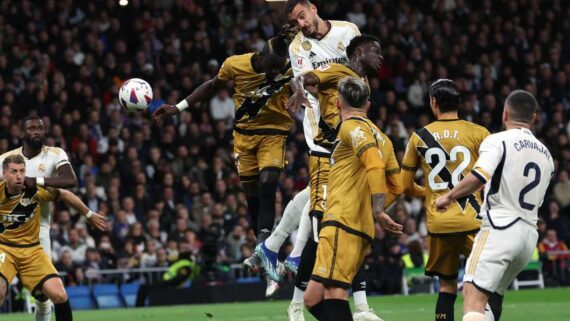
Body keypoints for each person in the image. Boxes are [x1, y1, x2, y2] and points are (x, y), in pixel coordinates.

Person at [152, 34, 292, 296]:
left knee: (268, 185)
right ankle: (266, 252)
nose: (276, 72)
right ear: (260, 58)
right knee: (252, 200)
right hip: (243, 139)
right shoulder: (235, 64)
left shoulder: (287, 64)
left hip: (274, 134)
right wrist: (179, 107)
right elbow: (212, 85)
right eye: (272, 67)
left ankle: (265, 246)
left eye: (279, 67)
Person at [435, 90, 555, 321]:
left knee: (472, 295)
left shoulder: (497, 140)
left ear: (505, 114)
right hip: (528, 237)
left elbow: (479, 176)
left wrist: (448, 197)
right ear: (535, 118)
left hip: (500, 227)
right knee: (492, 299)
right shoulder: (547, 156)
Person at [304, 77, 403, 321]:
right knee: (312, 298)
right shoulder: (384, 138)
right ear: (368, 104)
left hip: (342, 220)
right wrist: (371, 211)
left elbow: (373, 162)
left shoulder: (350, 128)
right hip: (357, 225)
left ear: (337, 104)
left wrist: (378, 210)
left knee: (334, 292)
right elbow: (397, 185)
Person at [401, 79, 490, 321]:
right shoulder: (479, 133)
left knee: (447, 288)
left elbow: (405, 186)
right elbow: (489, 176)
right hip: (474, 221)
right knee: (485, 286)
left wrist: (431, 193)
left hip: (440, 224)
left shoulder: (419, 137)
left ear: (433, 102)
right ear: (458, 102)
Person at [0, 154, 107, 321]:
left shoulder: (34, 191)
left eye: (22, 171)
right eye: (14, 171)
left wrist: (89, 214)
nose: (19, 175)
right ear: (4, 174)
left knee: (60, 295)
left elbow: (65, 194)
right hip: (4, 248)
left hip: (32, 251)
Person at [0, 115, 78, 321]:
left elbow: (70, 181)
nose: (36, 132)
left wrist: (37, 180)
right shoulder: (7, 160)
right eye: (31, 128)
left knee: (45, 297)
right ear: (21, 133)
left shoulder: (54, 154)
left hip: (39, 233)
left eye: (40, 128)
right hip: (7, 236)